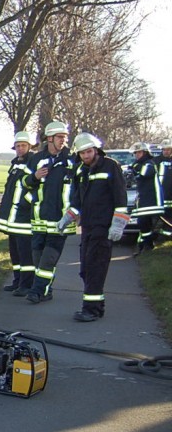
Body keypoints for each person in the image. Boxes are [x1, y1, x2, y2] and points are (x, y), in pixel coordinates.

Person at [59, 133, 128, 322]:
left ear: (96, 150)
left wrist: (118, 224)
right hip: (88, 227)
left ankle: (91, 310)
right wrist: (68, 216)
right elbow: (77, 200)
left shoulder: (111, 166)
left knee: (95, 268)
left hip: (103, 227)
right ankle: (97, 305)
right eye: (82, 153)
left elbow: (121, 199)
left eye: (89, 152)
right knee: (86, 270)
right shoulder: (80, 171)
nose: (86, 156)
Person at [22, 120, 77, 304]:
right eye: (60, 137)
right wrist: (33, 177)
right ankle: (46, 290)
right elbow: (23, 183)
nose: (63, 140)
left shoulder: (72, 160)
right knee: (38, 257)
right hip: (39, 218)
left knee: (49, 258)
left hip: (61, 219)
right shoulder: (36, 159)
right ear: (50, 138)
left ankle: (36, 291)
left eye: (65, 137)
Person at [0, 131, 36, 296]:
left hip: (25, 218)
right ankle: (17, 281)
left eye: (23, 145)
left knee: (26, 255)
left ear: (30, 146)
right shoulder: (15, 164)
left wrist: (26, 203)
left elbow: (39, 188)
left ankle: (27, 284)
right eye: (17, 146)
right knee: (15, 253)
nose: (20, 149)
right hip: (13, 218)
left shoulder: (34, 163)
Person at [128, 141, 163, 254]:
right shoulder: (139, 164)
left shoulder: (149, 164)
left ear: (145, 152)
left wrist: (134, 168)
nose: (137, 155)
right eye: (136, 153)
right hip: (144, 199)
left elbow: (143, 173)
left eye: (139, 152)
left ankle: (147, 245)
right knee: (143, 223)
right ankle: (145, 245)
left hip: (152, 200)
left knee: (144, 222)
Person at [154, 139, 172, 239]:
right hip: (160, 195)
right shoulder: (155, 161)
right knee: (160, 217)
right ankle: (161, 237)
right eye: (164, 150)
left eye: (168, 149)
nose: (166, 151)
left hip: (170, 195)